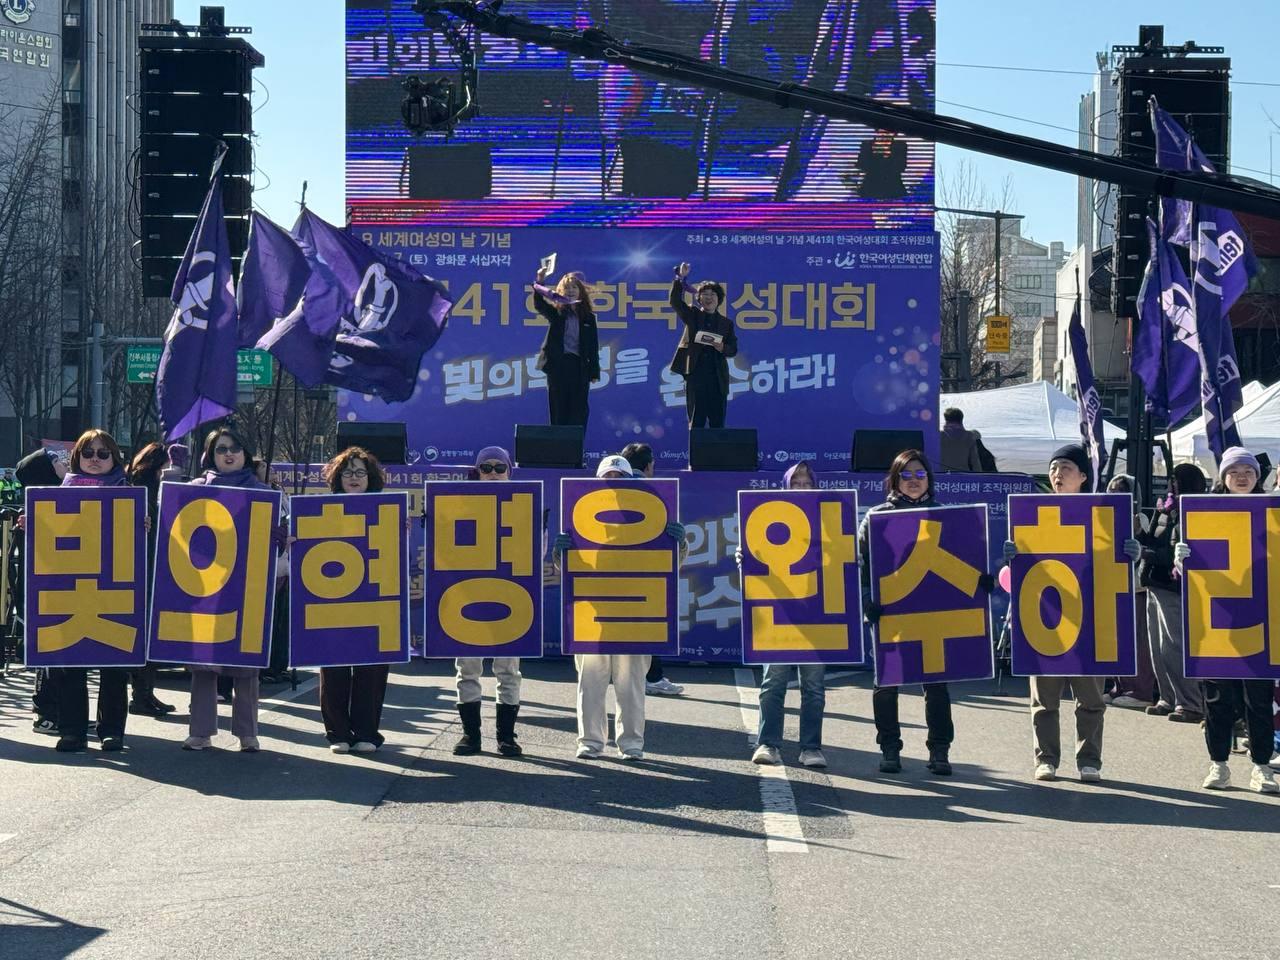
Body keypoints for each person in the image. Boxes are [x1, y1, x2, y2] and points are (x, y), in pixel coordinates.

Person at [1003, 443, 1142, 783]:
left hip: (1092, 617)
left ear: (1082, 476)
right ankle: (1046, 759)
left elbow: (1116, 567)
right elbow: (1017, 573)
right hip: (1046, 616)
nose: (1057, 474)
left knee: (1091, 698)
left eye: (1065, 468)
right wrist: (1013, 556)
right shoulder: (1033, 513)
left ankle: (1089, 760)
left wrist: (1131, 554)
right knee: (1044, 699)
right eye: (1053, 468)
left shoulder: (1103, 516)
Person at [860, 450, 986, 776]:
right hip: (890, 613)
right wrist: (866, 600)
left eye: (920, 474)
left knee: (937, 685)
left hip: (933, 614)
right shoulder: (876, 517)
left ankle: (939, 750)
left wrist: (980, 583)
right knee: (886, 684)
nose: (914, 481)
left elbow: (965, 562)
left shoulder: (945, 515)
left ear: (929, 479)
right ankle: (889, 748)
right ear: (895, 479)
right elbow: (860, 567)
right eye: (906, 475)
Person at [561, 454, 685, 760]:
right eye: (607, 477)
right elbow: (568, 571)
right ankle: (590, 741)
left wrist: (679, 544)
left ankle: (631, 743)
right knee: (590, 683)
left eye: (620, 477)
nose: (613, 483)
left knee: (631, 685)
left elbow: (669, 568)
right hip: (593, 614)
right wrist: (560, 553)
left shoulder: (651, 517)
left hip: (635, 613)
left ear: (632, 482)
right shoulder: (581, 515)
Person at [1175, 448, 1279, 794]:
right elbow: (1194, 573)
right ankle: (1218, 764)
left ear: (1257, 476)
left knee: (1259, 700)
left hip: (1261, 620)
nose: (1241, 477)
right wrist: (1183, 559)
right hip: (1218, 619)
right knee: (1218, 699)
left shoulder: (1273, 513)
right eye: (1234, 471)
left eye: (1248, 471)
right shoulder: (1205, 513)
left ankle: (1261, 766)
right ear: (1223, 478)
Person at [182, 426, 284, 753]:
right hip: (204, 587)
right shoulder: (194, 490)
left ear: (245, 454)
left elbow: (281, 538)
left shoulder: (263, 492)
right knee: (203, 664)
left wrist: (281, 536)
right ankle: (200, 731)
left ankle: (247, 733)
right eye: (221, 449)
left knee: (246, 665)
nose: (229, 454)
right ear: (210, 456)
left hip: (246, 587)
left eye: (235, 448)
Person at [49, 430, 134, 752]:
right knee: (71, 663)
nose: (95, 459)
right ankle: (72, 730)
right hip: (73, 587)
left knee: (114, 664)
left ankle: (111, 731)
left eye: (102, 453)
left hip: (114, 587)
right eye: (88, 453)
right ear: (77, 457)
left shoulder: (128, 493)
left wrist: (144, 527)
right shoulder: (60, 493)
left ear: (114, 458)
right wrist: (35, 525)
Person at [749, 461, 831, 769]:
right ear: (785, 486)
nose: (802, 488)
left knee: (814, 686)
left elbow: (838, 559)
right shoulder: (770, 519)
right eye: (795, 483)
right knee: (773, 682)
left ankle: (811, 748)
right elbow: (757, 557)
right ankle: (768, 743)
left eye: (807, 483)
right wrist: (746, 558)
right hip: (779, 611)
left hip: (817, 612)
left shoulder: (827, 519)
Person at [318, 446, 394, 754]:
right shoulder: (321, 510)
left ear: (370, 477)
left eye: (360, 472)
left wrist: (400, 532)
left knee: (371, 668)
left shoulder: (386, 510)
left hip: (373, 599)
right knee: (334, 667)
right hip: (333, 600)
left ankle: (366, 732)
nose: (354, 477)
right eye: (348, 472)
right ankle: (338, 733)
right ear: (337, 477)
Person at [453, 446, 525, 757]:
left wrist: (539, 527)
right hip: (468, 597)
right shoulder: (460, 505)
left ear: (509, 471)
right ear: (477, 472)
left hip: (510, 597)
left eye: (499, 467)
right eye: (486, 468)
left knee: (508, 669)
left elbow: (534, 556)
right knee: (467, 668)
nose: (493, 473)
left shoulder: (525, 504)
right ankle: (471, 736)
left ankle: (506, 737)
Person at [1138, 463, 1208, 723]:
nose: (1171, 484)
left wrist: (1147, 553)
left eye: (1175, 480)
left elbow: (1173, 553)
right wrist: (1139, 535)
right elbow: (1154, 541)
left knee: (1175, 646)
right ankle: (1167, 697)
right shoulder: (1164, 508)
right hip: (1153, 582)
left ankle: (1189, 702)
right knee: (1157, 647)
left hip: (1173, 585)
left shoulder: (1192, 510)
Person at [621, 441, 685, 697]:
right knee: (647, 624)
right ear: (649, 466)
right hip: (647, 570)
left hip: (611, 573)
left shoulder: (605, 494)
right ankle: (652, 677)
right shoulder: (655, 493)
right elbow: (670, 539)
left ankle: (646, 676)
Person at [16, 446, 68, 736]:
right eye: (56, 461)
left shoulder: (57, 501)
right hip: (48, 593)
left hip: (63, 590)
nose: (64, 464)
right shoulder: (37, 510)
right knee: (50, 653)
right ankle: (46, 714)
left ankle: (62, 711)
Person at [125, 442, 177, 718]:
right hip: (144, 573)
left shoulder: (143, 487)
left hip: (146, 572)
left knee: (148, 638)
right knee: (146, 639)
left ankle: (144, 694)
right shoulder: (144, 490)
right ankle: (141, 696)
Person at [1103, 474, 1156, 710]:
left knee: (1138, 642)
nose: (1116, 494)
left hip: (1135, 588)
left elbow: (1144, 544)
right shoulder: (1103, 516)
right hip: (1111, 586)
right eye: (1112, 490)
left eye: (1121, 490)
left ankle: (1140, 689)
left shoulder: (1139, 517)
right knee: (1117, 641)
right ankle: (1120, 686)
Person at [669, 262, 738, 429]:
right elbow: (675, 301)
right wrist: (680, 277)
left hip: (717, 378)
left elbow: (733, 349)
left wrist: (722, 347)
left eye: (713, 294)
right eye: (705, 294)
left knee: (718, 425)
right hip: (696, 375)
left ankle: (717, 448)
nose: (709, 297)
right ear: (699, 299)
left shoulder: (726, 324)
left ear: (719, 299)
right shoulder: (693, 315)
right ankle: (696, 447)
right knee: (696, 423)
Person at [533, 266, 601, 428]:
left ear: (580, 292)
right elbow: (539, 304)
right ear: (560, 292)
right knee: (559, 409)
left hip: (579, 367)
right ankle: (558, 442)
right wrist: (540, 280)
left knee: (579, 410)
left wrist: (594, 371)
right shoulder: (557, 313)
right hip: (558, 366)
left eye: (574, 287)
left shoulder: (588, 318)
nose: (570, 291)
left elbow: (593, 345)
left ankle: (574, 442)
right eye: (567, 288)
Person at [938, 407, 982, 472]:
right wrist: (979, 476)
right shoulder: (969, 436)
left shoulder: (938, 435)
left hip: (941, 476)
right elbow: (975, 462)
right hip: (963, 476)